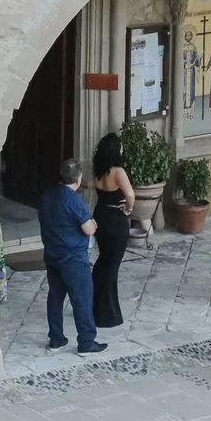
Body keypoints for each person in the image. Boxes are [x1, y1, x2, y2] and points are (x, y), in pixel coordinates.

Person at [36, 157, 107, 354]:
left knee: (55, 298)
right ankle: (86, 341)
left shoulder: (46, 196)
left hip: (52, 255)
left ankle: (56, 339)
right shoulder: (74, 200)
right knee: (82, 299)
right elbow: (88, 229)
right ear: (78, 178)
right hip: (73, 258)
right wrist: (94, 224)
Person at [90, 132, 138, 329]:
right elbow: (130, 195)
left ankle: (95, 305)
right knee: (112, 265)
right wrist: (128, 209)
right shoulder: (118, 172)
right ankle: (106, 313)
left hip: (100, 215)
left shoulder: (98, 170)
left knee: (104, 260)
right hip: (115, 220)